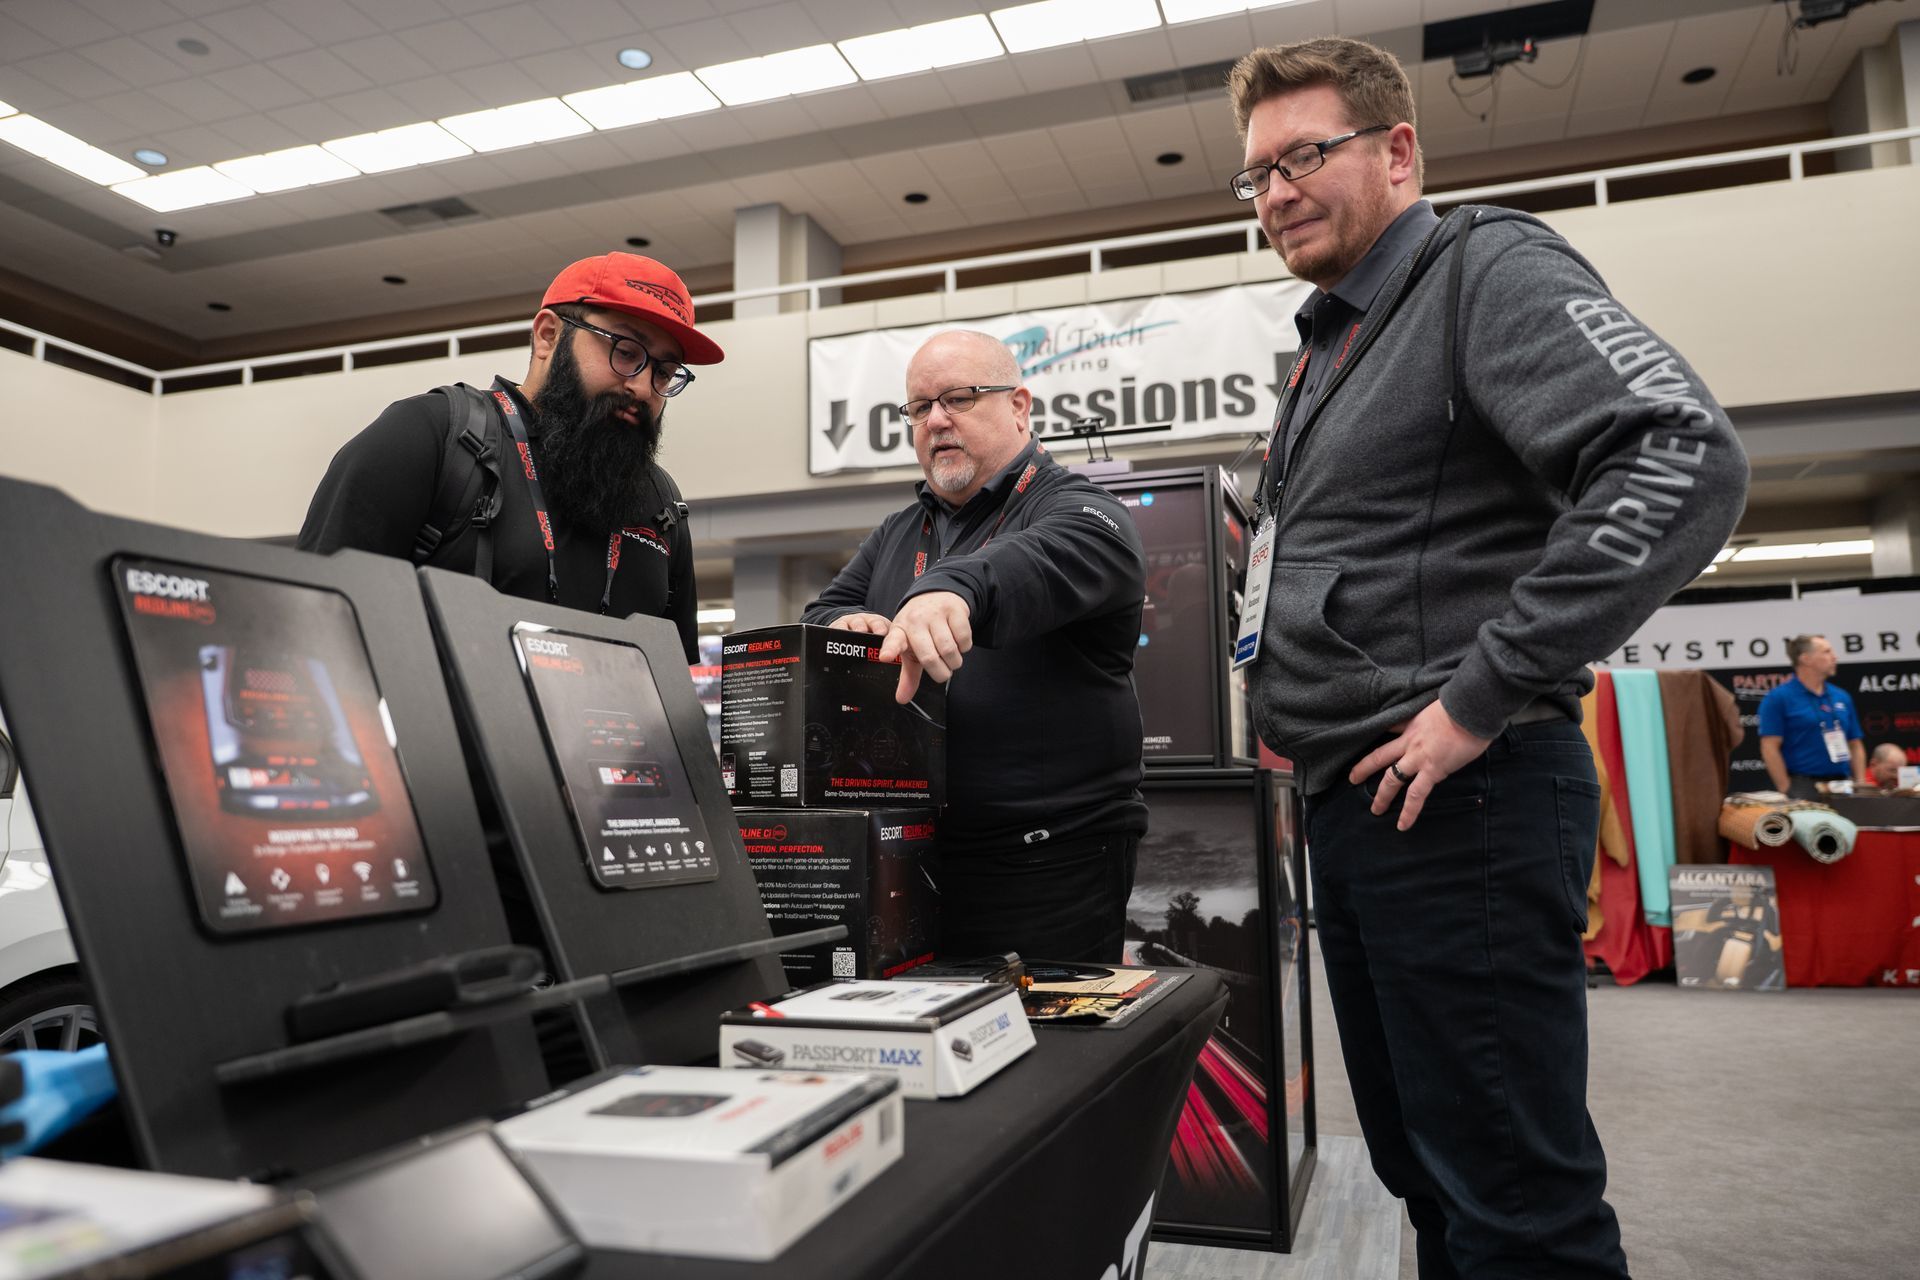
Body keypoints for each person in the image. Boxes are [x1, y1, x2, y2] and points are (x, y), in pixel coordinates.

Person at [1227, 37, 1747, 1279]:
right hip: (1363, 811)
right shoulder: (1327, 347)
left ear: (1398, 152)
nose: (1276, 192)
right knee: (1427, 1172)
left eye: (1304, 155)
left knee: (1514, 1198)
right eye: (1254, 176)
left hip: (1468, 795)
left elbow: (1680, 454)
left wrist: (1480, 692)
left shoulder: (1484, 267)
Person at [800, 330, 1147, 963]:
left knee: (1050, 1055)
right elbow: (824, 609)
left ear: (1019, 406)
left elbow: (1028, 564)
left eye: (958, 398)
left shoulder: (1083, 510)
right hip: (908, 855)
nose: (935, 420)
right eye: (919, 407)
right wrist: (852, 625)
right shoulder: (900, 529)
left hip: (1048, 863)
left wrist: (949, 590)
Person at [299, 253, 722, 660]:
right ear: (548, 335)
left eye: (664, 372)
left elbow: (669, 686)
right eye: (627, 351)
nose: (645, 388)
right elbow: (310, 625)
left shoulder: (661, 505)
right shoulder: (429, 437)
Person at [1756, 636, 1869, 798]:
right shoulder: (1778, 698)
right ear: (1806, 659)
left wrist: (1860, 783)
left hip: (1843, 785)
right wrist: (1785, 788)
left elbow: (1855, 744)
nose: (1834, 657)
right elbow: (1769, 747)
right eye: (1827, 652)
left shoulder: (1841, 696)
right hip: (1804, 785)